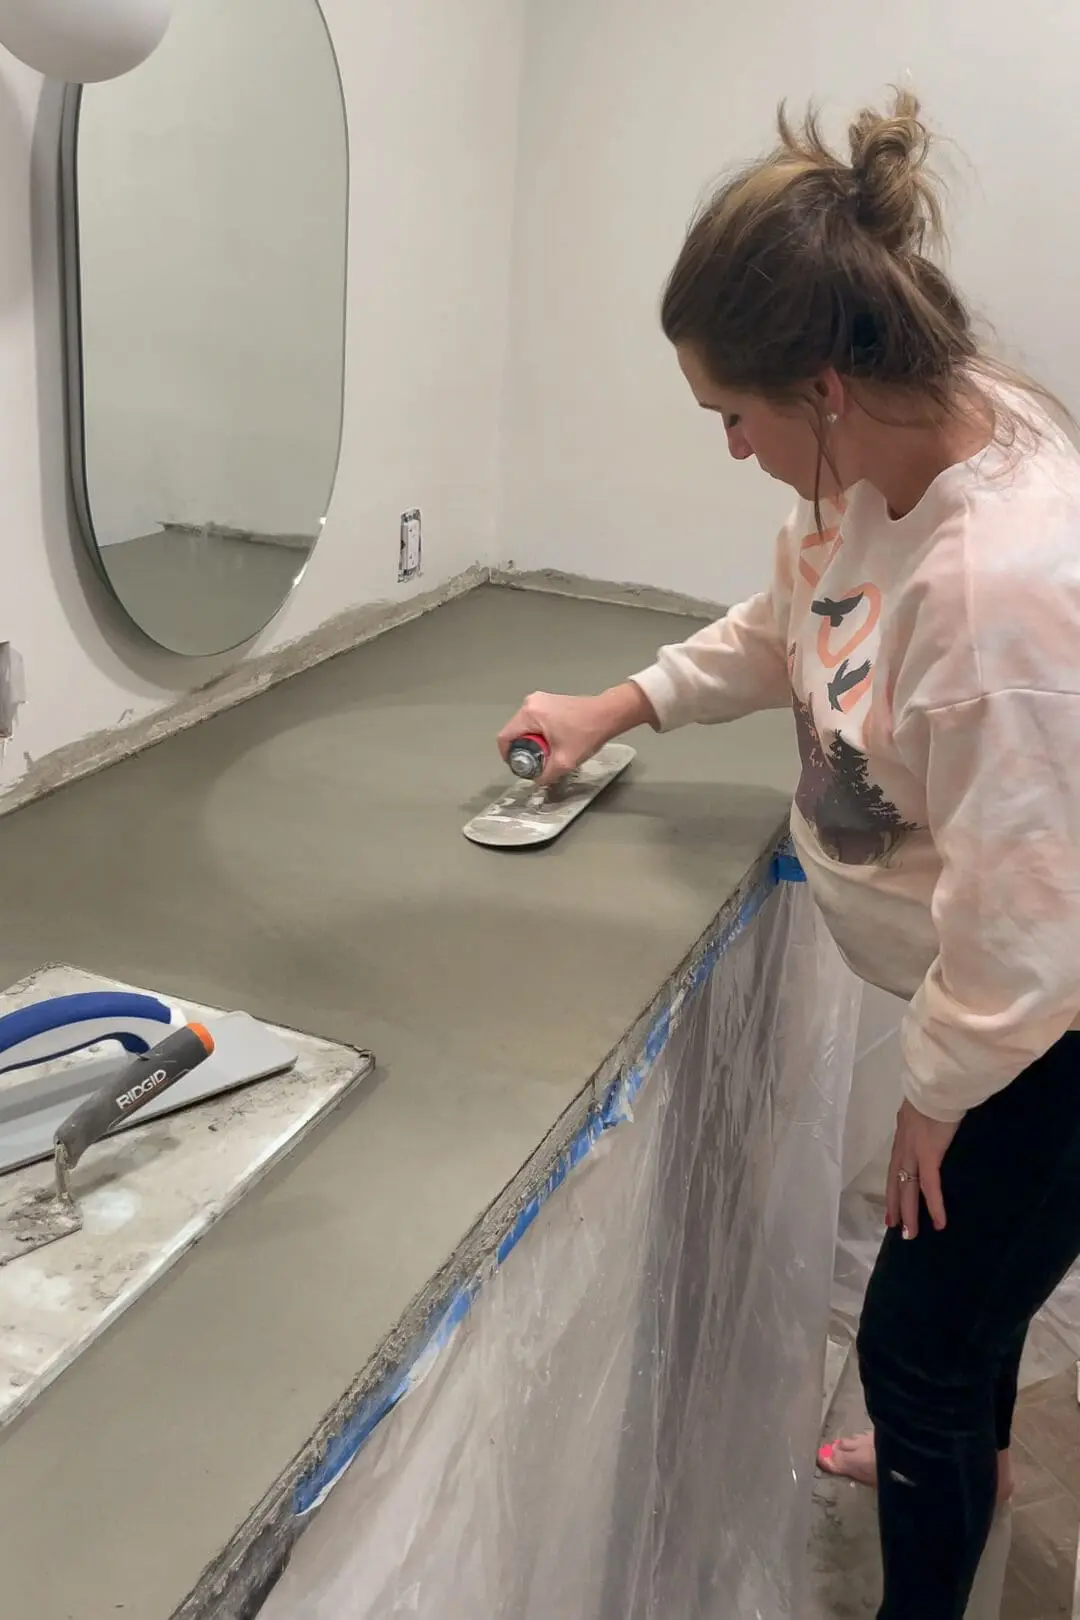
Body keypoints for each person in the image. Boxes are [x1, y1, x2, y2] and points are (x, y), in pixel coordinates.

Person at [497, 90, 1080, 1620]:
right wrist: (620, 703)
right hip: (1008, 1007)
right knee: (967, 1308)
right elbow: (799, 628)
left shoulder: (1002, 590)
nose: (733, 448)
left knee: (914, 1340)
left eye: (732, 419)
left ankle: (939, 1527)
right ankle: (976, 1434)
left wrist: (941, 1091)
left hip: (1051, 1030)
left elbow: (1032, 927)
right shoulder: (879, 456)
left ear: (824, 386)